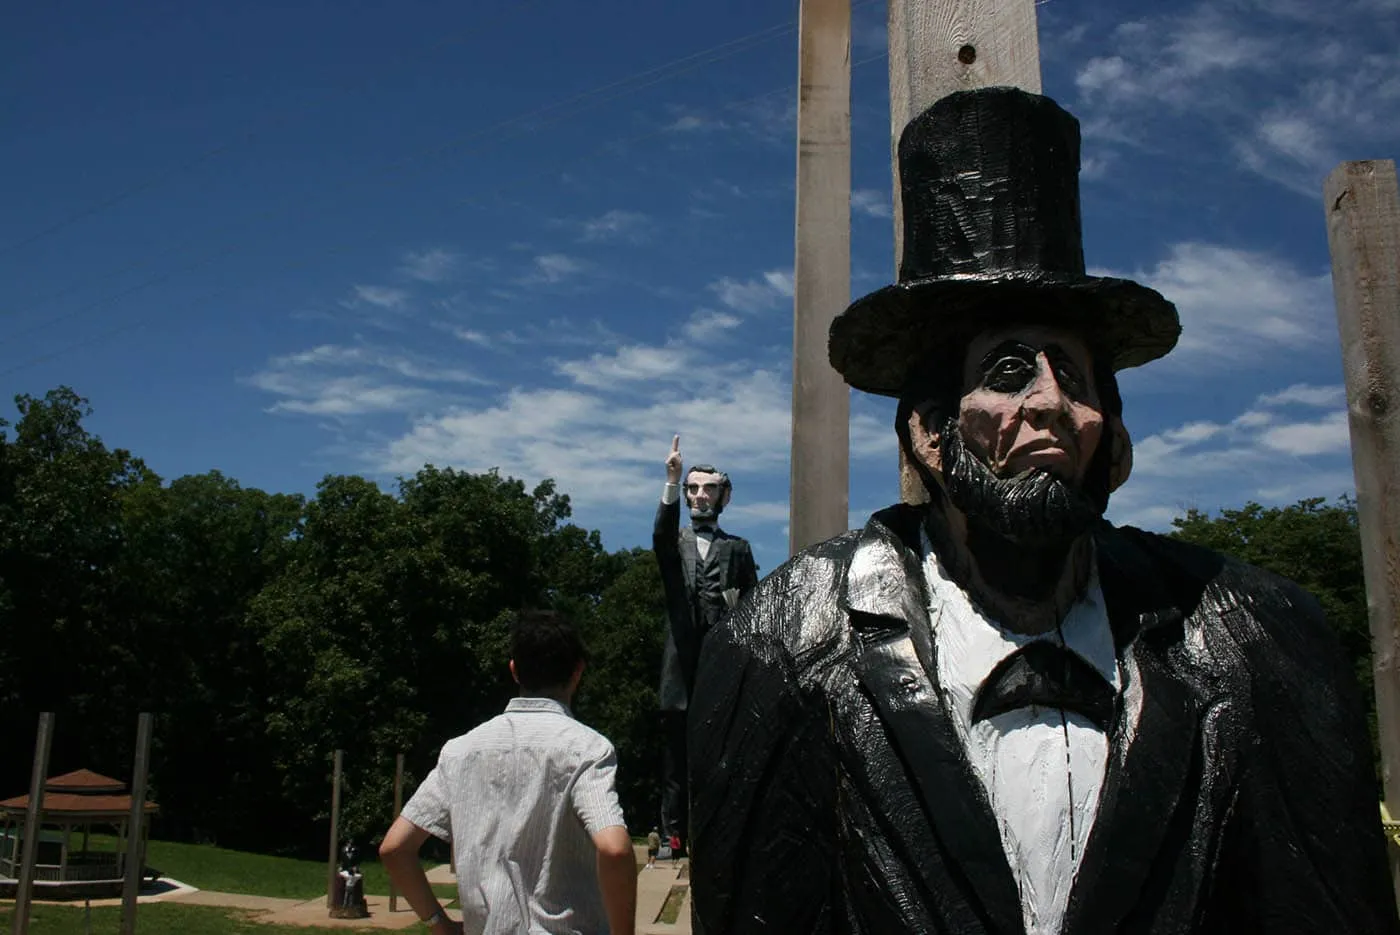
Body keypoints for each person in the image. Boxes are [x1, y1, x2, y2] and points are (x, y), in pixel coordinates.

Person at [688, 87, 1400, 935]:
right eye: (1011, 370)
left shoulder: (1257, 639)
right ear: (928, 429)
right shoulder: (779, 645)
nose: (1052, 402)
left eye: (1075, 373)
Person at [379, 609, 636, 935]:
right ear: (578, 671)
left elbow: (395, 848)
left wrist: (438, 923)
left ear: (514, 670)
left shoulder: (460, 751)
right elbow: (614, 848)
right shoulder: (587, 749)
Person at [653, 434, 758, 850]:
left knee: (721, 750)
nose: (698, 496)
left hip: (722, 662)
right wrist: (670, 479)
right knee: (675, 755)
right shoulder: (674, 542)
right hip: (680, 663)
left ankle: (717, 831)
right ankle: (671, 833)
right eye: (692, 489)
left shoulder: (738, 548)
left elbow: (754, 601)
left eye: (707, 489)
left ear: (723, 496)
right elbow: (660, 537)